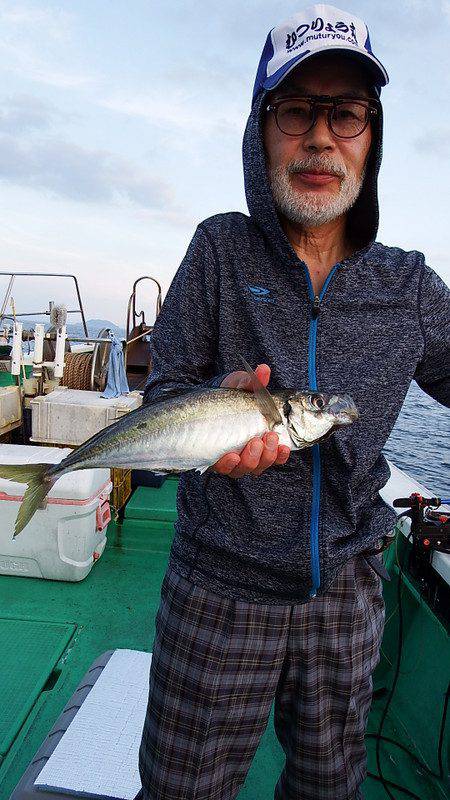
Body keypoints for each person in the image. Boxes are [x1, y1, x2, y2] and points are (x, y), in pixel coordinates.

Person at [135, 5, 450, 799]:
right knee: (180, 789)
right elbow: (167, 387)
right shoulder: (218, 248)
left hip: (348, 595)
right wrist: (217, 404)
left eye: (345, 114)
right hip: (216, 591)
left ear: (372, 139)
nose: (320, 137)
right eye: (296, 111)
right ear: (261, 129)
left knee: (327, 788)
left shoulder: (407, 284)